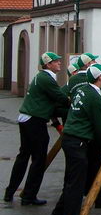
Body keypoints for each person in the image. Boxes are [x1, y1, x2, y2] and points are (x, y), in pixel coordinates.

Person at [48, 62, 101, 215]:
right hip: (78, 141)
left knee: (73, 179)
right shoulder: (94, 97)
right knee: (76, 185)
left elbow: (100, 111)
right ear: (99, 78)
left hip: (71, 139)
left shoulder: (84, 90)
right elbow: (99, 124)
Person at [4, 52, 70, 205]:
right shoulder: (47, 79)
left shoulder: (41, 77)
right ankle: (29, 195)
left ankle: (10, 191)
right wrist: (74, 103)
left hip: (27, 118)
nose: (59, 63)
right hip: (35, 120)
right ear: (48, 65)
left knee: (23, 156)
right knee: (38, 159)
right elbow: (60, 98)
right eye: (56, 61)